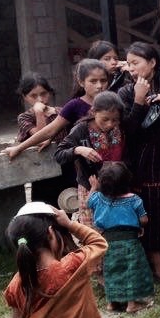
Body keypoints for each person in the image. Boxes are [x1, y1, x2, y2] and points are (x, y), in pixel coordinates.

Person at [118, 42, 160, 282]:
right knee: (153, 210)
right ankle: (157, 264)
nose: (131, 68)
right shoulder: (125, 92)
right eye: (128, 63)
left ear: (153, 62)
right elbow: (129, 131)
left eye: (135, 62)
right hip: (147, 158)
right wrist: (138, 101)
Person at [4, 59, 109, 159]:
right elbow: (48, 131)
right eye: (93, 81)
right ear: (81, 82)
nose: (99, 86)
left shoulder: (113, 101)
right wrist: (18, 148)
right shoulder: (74, 106)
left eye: (103, 80)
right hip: (85, 161)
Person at [87, 162, 154, 313]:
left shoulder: (98, 198)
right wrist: (138, 224)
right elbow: (144, 220)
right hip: (130, 241)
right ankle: (132, 304)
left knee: (111, 271)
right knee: (131, 270)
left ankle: (112, 303)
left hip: (108, 242)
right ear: (127, 181)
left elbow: (88, 202)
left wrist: (93, 188)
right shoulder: (134, 199)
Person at [54, 91, 125, 230]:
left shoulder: (121, 128)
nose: (110, 124)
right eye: (105, 119)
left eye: (115, 120)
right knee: (93, 232)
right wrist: (78, 150)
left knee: (116, 230)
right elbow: (59, 154)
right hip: (90, 188)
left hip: (117, 187)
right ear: (93, 112)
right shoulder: (81, 130)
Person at [14, 73, 59, 145]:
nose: (40, 100)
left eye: (43, 93)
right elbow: (42, 139)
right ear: (25, 97)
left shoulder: (60, 112)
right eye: (33, 96)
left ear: (49, 93)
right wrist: (39, 112)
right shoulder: (24, 118)